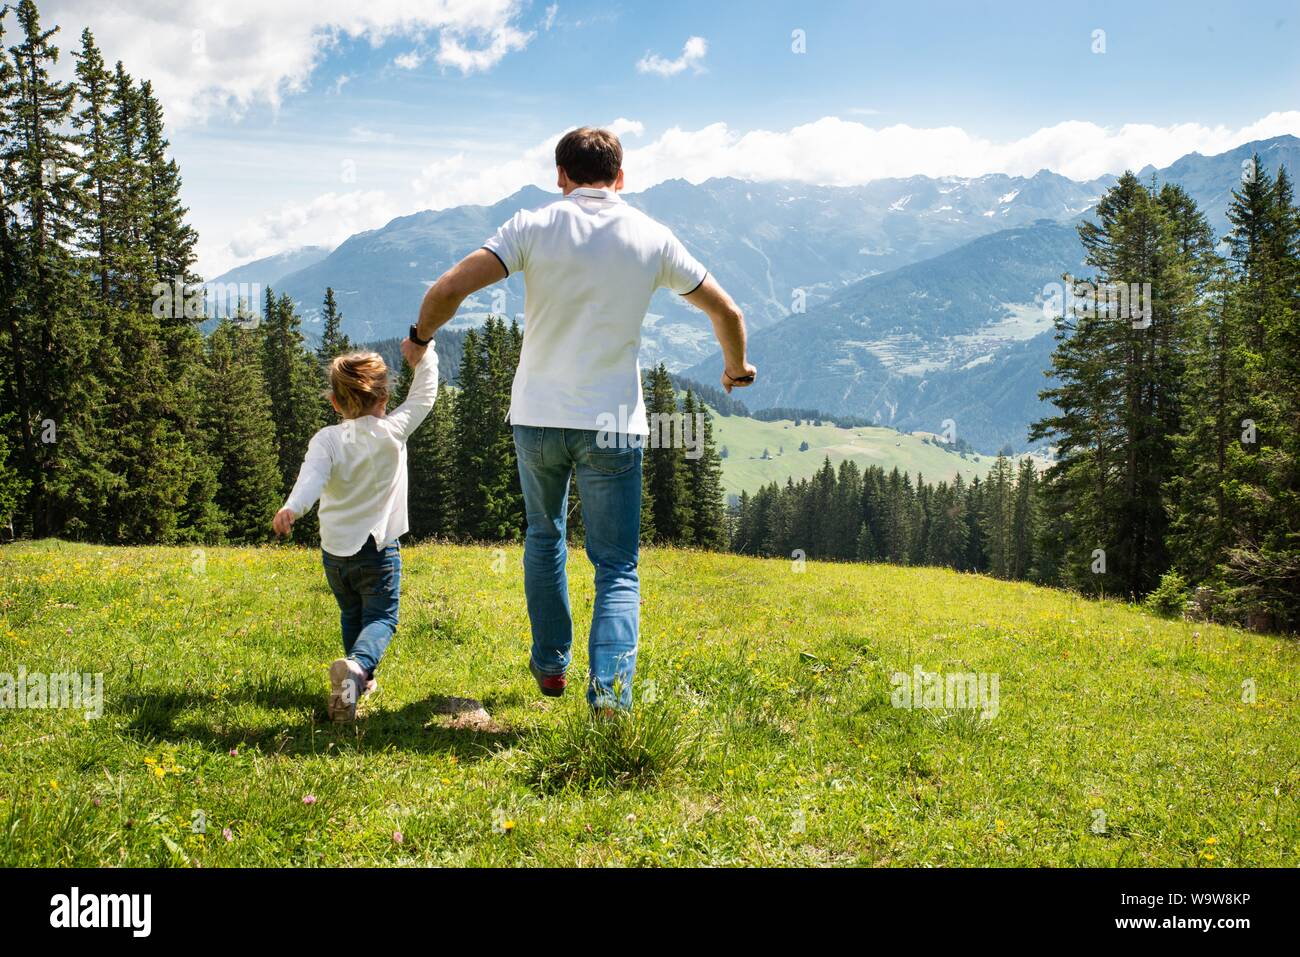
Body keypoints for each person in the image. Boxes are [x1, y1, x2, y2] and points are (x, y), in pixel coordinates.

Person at [403, 126, 754, 711]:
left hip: (538, 417)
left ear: (561, 177)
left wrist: (419, 340)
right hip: (614, 421)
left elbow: (449, 288)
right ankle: (611, 700)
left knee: (544, 538)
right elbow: (727, 309)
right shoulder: (652, 236)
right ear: (620, 177)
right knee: (616, 565)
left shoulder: (531, 226)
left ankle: (549, 667)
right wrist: (735, 369)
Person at [273, 346, 439, 721]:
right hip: (377, 548)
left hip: (335, 553)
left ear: (334, 403)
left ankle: (355, 684)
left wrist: (292, 509)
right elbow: (425, 396)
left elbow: (310, 478)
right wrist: (424, 356)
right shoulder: (393, 430)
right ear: (384, 396)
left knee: (351, 613)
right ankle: (359, 668)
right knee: (382, 618)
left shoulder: (327, 440)